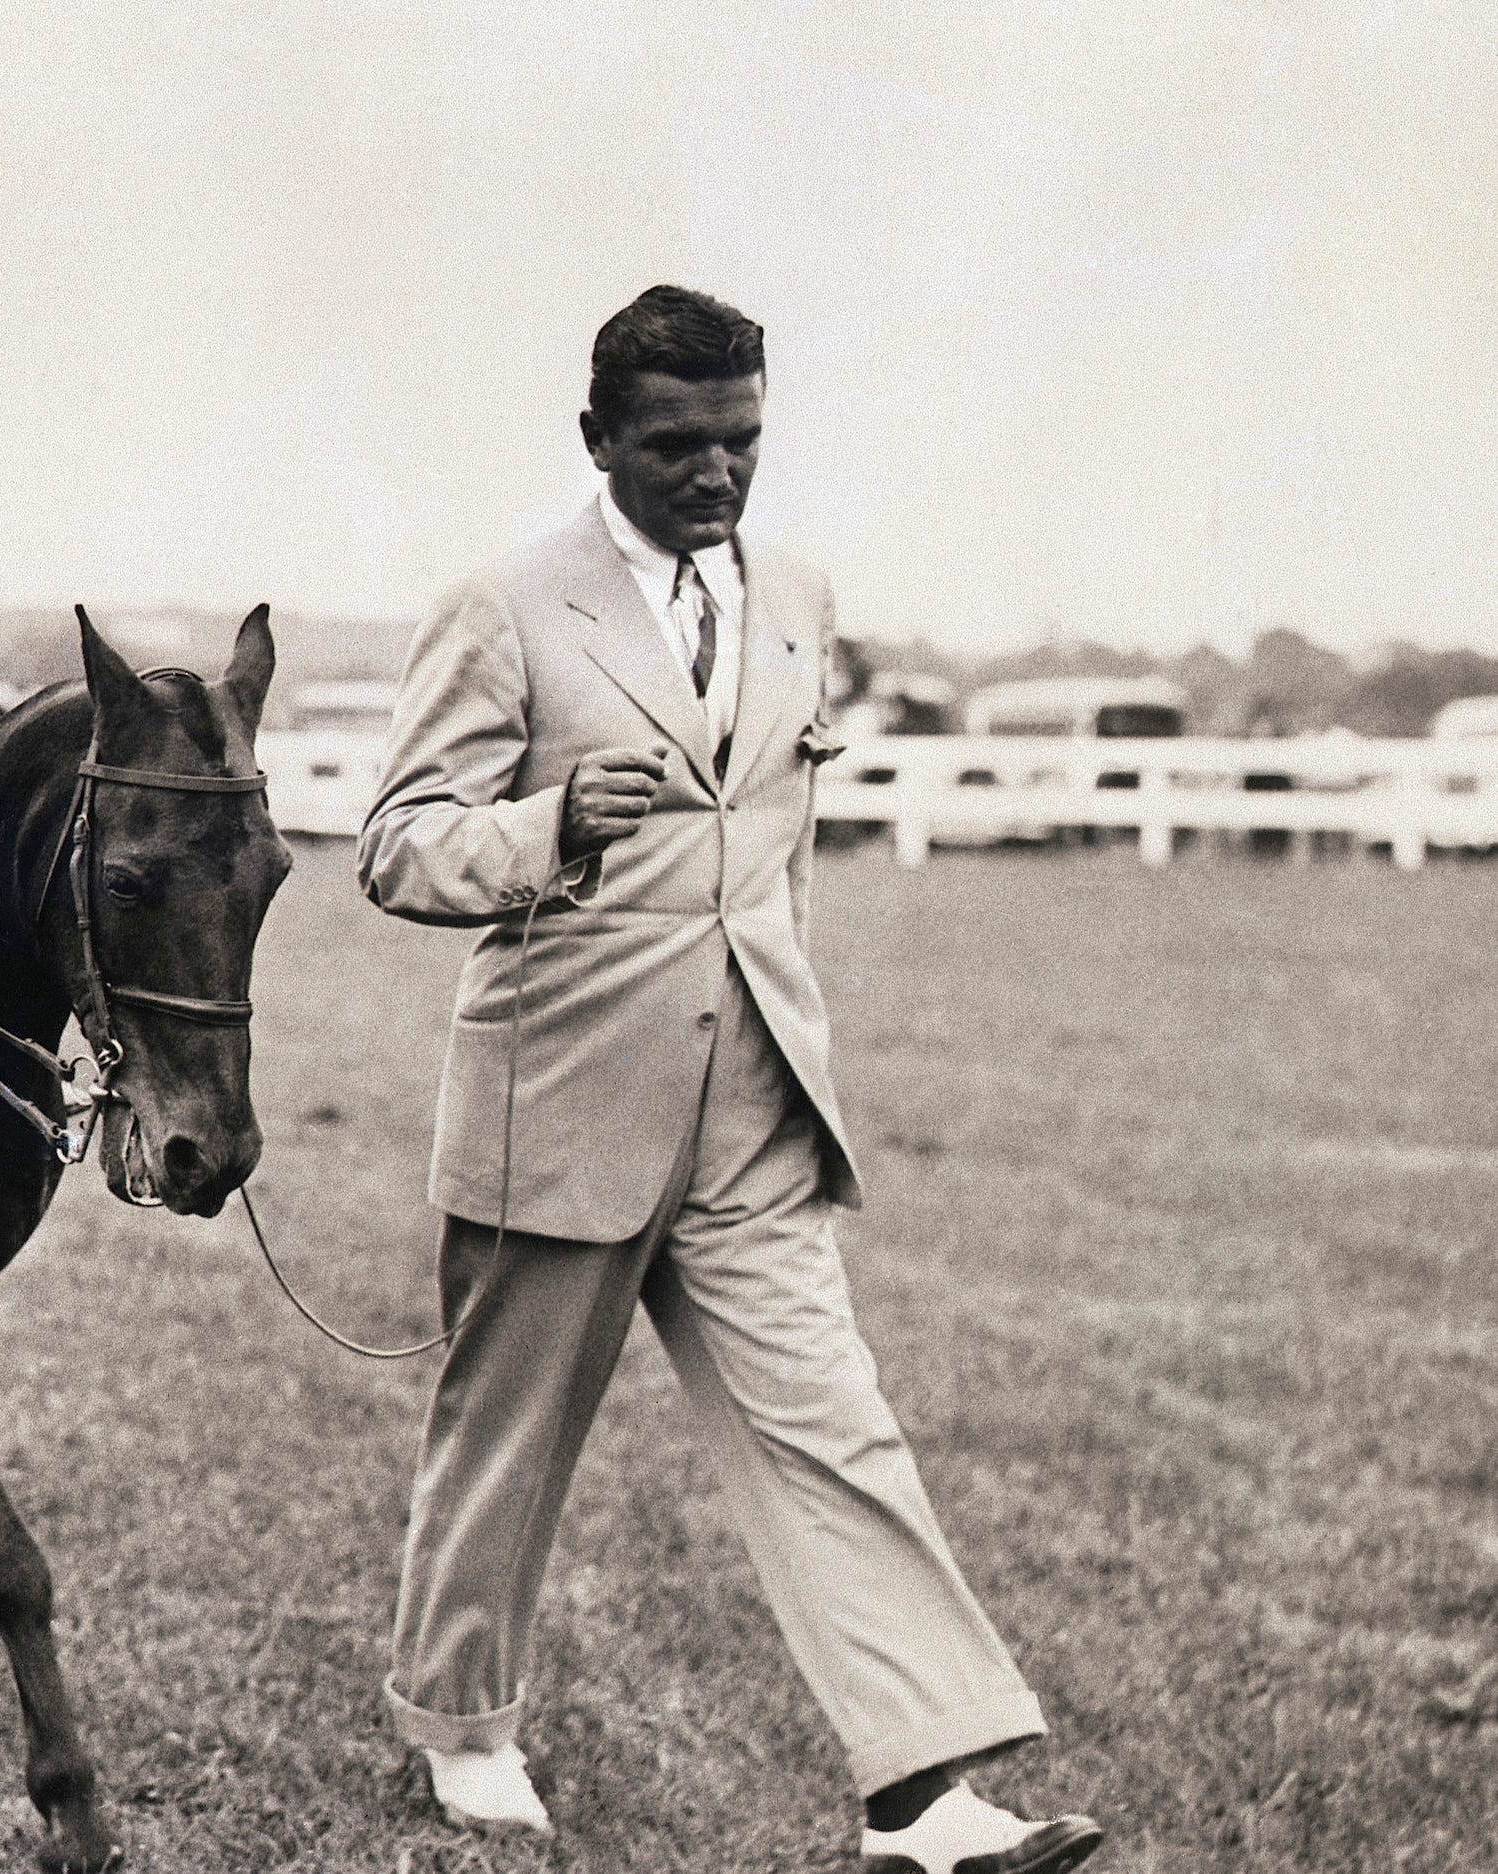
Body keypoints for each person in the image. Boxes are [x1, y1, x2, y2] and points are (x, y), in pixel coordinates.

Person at [356, 286, 1102, 1873]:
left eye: (740, 440)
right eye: (675, 444)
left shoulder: (798, 593)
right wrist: (552, 818)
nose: (713, 474)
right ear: (597, 440)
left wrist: (789, 1024)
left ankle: (920, 1795)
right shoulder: (500, 604)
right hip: (555, 1093)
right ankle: (461, 1726)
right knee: (505, 1435)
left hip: (754, 1096)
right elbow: (396, 847)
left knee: (833, 1427)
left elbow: (774, 849)